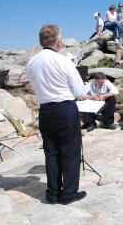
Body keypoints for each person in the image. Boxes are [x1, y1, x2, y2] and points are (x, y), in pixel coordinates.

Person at [26, 25, 86, 205]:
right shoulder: (63, 60)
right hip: (65, 109)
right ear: (58, 41)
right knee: (70, 152)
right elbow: (79, 90)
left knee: (51, 152)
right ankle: (68, 193)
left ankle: (52, 193)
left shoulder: (31, 62)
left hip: (45, 110)